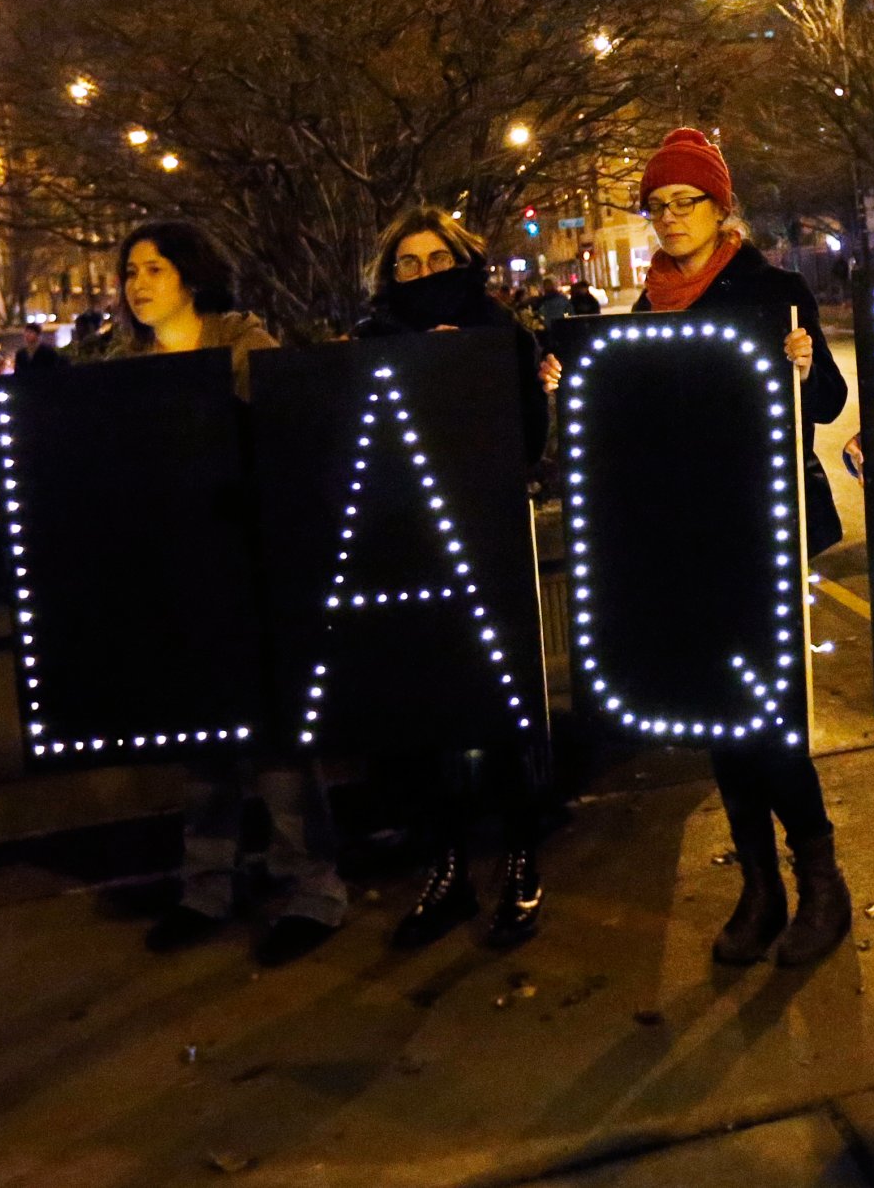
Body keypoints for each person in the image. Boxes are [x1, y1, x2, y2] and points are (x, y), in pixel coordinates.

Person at [618, 126, 856, 968]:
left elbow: (825, 405)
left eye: (688, 201)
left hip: (768, 530)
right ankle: (760, 886)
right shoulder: (648, 307)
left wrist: (804, 363)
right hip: (691, 537)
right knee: (723, 713)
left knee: (774, 717)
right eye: (659, 205)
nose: (673, 216)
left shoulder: (774, 287)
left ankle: (821, 881)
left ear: (721, 208)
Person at [118, 220, 347, 967]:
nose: (139, 282)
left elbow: (286, 439)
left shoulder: (245, 345)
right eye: (130, 272)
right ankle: (206, 885)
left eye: (154, 267)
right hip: (183, 581)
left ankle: (313, 888)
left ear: (191, 275)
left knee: (279, 744)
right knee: (203, 744)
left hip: (255, 573)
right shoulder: (129, 368)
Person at [353, 205, 554, 949]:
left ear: (463, 261)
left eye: (438, 259)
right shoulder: (371, 342)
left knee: (506, 716)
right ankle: (447, 869)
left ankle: (522, 859)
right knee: (425, 713)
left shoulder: (503, 332)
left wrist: (497, 379)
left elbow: (530, 440)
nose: (424, 274)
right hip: (406, 551)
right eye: (408, 263)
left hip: (490, 541)